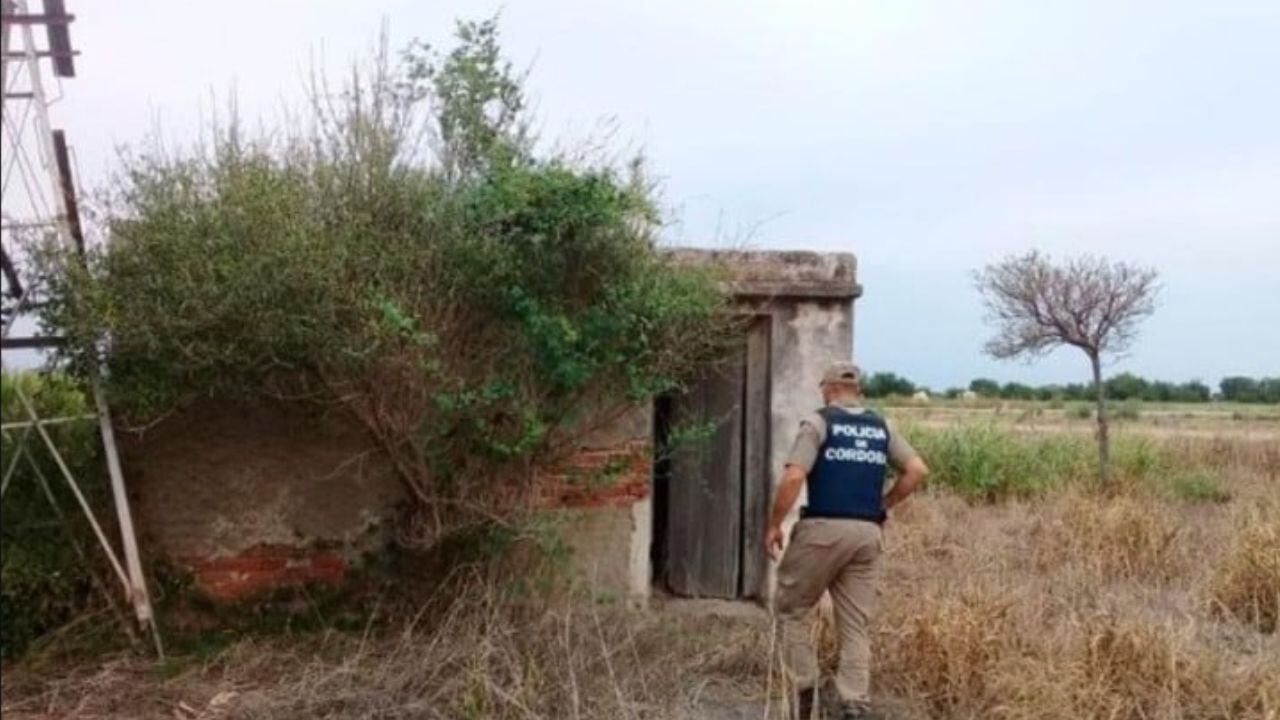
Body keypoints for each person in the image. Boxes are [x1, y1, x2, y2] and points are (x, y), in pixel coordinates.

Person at [766, 361, 929, 720]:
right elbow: (917, 470)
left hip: (823, 529)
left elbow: (794, 478)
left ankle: (804, 689)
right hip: (867, 534)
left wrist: (775, 523)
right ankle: (853, 702)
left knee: (790, 611)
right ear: (858, 391)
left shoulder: (820, 421)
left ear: (828, 388)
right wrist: (882, 505)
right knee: (855, 624)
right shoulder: (882, 425)